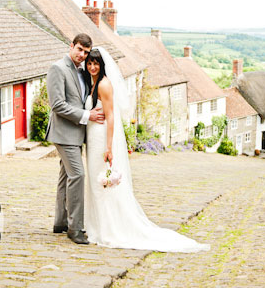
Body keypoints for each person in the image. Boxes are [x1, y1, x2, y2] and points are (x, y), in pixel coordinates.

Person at [83, 47, 210, 252]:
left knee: (102, 183)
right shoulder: (92, 82)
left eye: (96, 63)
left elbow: (111, 116)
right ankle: (97, 225)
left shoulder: (104, 84)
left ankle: (107, 229)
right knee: (95, 182)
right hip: (93, 135)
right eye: (89, 63)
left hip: (102, 137)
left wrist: (109, 147)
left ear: (102, 64)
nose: (92, 67)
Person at [45, 33, 105, 245]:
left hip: (76, 134)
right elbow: (58, 105)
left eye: (86, 52)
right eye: (79, 49)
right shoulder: (58, 69)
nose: (82, 55)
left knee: (66, 177)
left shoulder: (82, 72)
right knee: (78, 176)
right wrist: (88, 116)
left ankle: (60, 222)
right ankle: (75, 228)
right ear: (71, 46)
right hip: (63, 133)